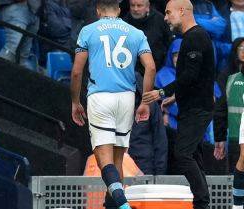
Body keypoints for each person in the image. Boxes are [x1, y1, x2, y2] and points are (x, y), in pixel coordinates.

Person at [70, 0, 156, 208]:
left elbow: (76, 71)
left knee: (103, 159)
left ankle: (123, 205)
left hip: (100, 97)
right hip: (127, 97)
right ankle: (112, 205)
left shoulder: (88, 31)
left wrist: (75, 102)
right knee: (118, 160)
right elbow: (151, 68)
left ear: (98, 11)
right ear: (118, 10)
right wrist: (145, 101)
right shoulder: (136, 33)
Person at [142, 0, 215, 208]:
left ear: (182, 11)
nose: (165, 17)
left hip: (197, 109)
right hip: (192, 106)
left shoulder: (196, 37)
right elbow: (198, 76)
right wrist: (176, 96)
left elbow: (190, 76)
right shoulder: (191, 37)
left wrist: (163, 92)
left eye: (168, 13)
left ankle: (202, 201)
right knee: (193, 155)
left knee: (183, 154)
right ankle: (202, 203)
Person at [212, 38, 244, 208]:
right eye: (241, 48)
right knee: (237, 176)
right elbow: (220, 110)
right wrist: (219, 138)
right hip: (234, 138)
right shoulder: (228, 78)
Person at [123, 0, 172, 72]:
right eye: (132, 5)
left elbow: (169, 42)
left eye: (139, 6)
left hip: (158, 70)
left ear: (147, 7)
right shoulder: (124, 23)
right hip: (132, 71)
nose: (135, 9)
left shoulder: (160, 20)